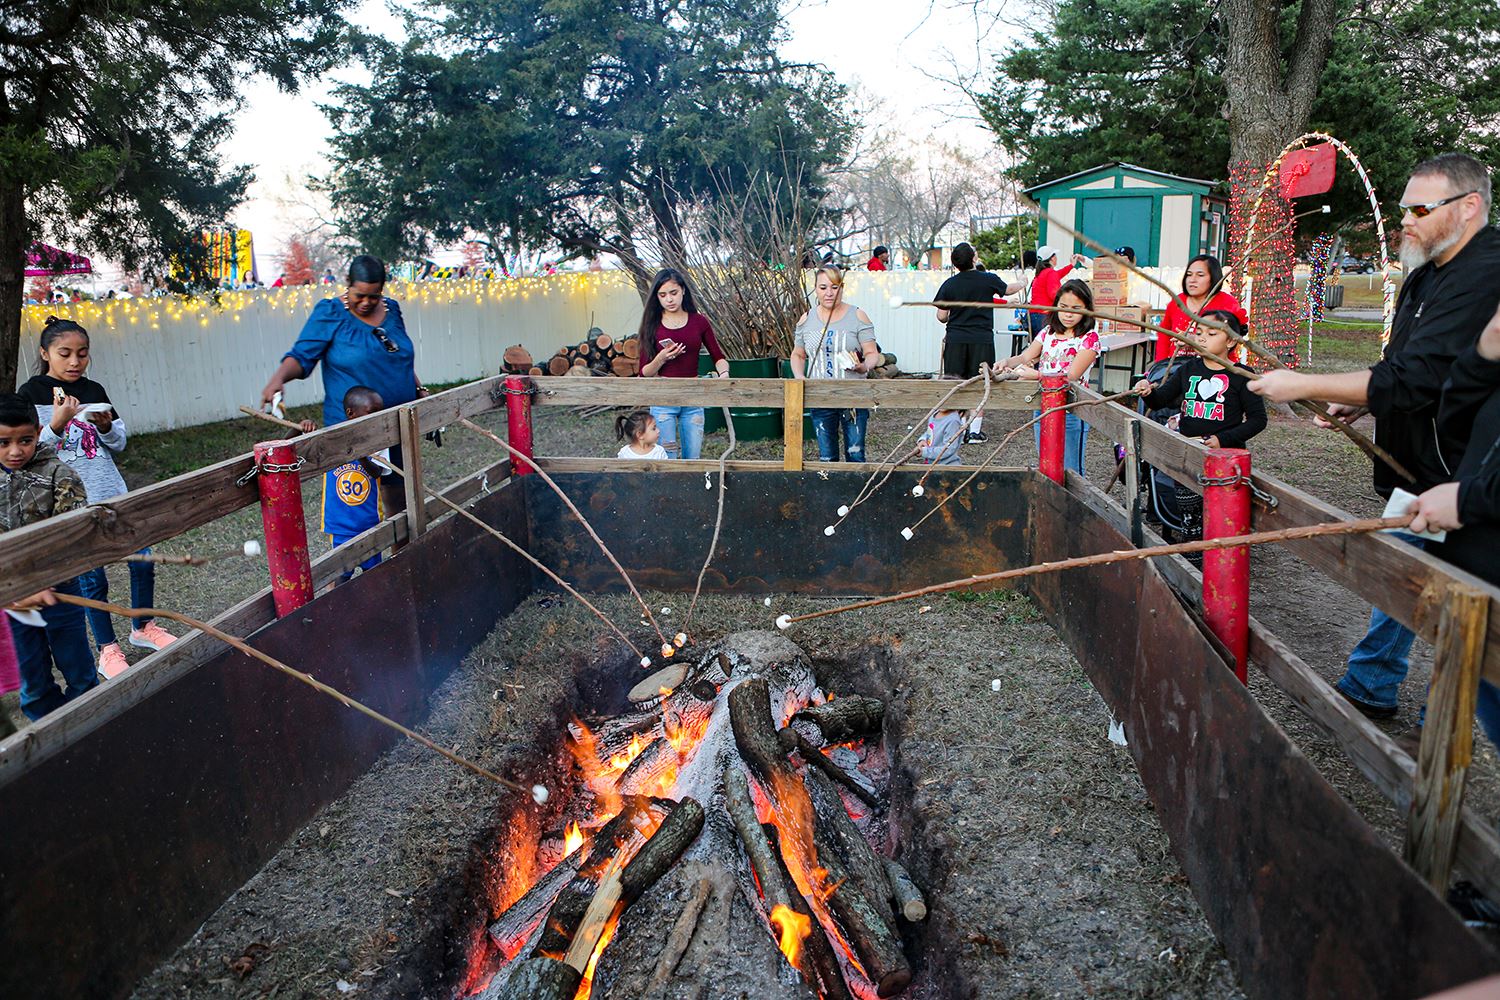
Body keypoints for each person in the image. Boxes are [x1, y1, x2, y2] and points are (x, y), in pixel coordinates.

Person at [1251, 152, 1500, 720]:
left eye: (1419, 208)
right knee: (1408, 573)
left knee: (1460, 604)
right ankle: (1377, 683)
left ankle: (1439, 727)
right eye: (1402, 208)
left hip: (1464, 478)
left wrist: (1304, 382)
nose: (1404, 220)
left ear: (1469, 208)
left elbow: (1420, 379)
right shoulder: (1426, 271)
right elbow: (1401, 364)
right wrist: (1357, 398)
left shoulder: (1485, 274)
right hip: (1420, 469)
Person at [18, 317, 176, 678]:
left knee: (143, 560)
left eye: (83, 354)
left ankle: (143, 628)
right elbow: (30, 455)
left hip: (111, 493)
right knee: (94, 579)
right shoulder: (30, 395)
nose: (75, 362)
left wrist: (105, 427)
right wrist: (56, 424)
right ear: (45, 354)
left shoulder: (94, 389)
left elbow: (118, 443)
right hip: (70, 502)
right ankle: (108, 649)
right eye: (65, 354)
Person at [262, 255, 424, 513]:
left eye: (374, 295)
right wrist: (278, 379)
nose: (367, 302)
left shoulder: (392, 310)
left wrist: (418, 389)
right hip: (354, 434)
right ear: (348, 283)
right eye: (360, 294)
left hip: (399, 424)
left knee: (404, 512)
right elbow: (302, 356)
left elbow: (400, 357)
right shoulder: (330, 313)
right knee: (359, 515)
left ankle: (402, 554)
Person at [0, 393, 95, 720]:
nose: (15, 451)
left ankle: (89, 730)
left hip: (61, 593)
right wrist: (13, 589)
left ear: (39, 432)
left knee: (79, 672)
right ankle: (48, 745)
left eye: (25, 440)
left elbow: (75, 539)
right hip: (12, 598)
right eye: (3, 442)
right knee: (33, 679)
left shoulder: (60, 475)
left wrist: (45, 581)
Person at [1134, 310, 1267, 543]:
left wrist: (1222, 439)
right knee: (1190, 519)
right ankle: (1195, 564)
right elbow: (1160, 400)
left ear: (1231, 340)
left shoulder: (1242, 375)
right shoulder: (1189, 369)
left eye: (1211, 333)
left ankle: (1221, 564)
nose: (1201, 338)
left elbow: (1258, 420)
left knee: (1220, 521)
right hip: (1189, 457)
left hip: (1223, 462)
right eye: (1198, 332)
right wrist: (1148, 391)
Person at [1002, 278, 1101, 475]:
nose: (1068, 313)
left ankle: (1071, 506)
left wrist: (1036, 374)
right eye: (1063, 306)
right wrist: (1006, 362)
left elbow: (1071, 376)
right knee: (1047, 466)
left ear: (1086, 309)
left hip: (1071, 409)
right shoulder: (1048, 332)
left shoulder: (1090, 338)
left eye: (1076, 308)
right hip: (1043, 406)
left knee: (1071, 470)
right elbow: (1025, 356)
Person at [935, 242, 1024, 443]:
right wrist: (1024, 282)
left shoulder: (949, 284)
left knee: (955, 383)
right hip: (981, 340)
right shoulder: (987, 279)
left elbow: (941, 316)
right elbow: (1008, 290)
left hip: (955, 340)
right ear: (974, 258)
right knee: (979, 382)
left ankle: (952, 432)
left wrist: (958, 315)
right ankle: (973, 432)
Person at [789, 267, 880, 462]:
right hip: (821, 395)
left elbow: (872, 353)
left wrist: (864, 366)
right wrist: (800, 377)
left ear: (842, 288)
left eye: (834, 287)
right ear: (815, 289)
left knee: (855, 454)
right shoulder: (806, 319)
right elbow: (798, 354)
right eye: (823, 287)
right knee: (827, 456)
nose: (829, 293)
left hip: (853, 396)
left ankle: (857, 491)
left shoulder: (857, 315)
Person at [636, 268, 728, 460]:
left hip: (693, 397)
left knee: (692, 457)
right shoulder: (652, 324)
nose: (669, 299)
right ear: (657, 297)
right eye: (663, 295)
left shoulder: (699, 322)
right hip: (664, 399)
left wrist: (724, 374)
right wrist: (661, 358)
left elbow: (718, 357)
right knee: (667, 457)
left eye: (673, 293)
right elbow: (644, 372)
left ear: (683, 291)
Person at [321, 386, 390, 583]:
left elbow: (376, 472)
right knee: (341, 577)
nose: (378, 417)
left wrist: (360, 454)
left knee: (374, 577)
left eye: (381, 412)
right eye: (372, 412)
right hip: (341, 526)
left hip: (368, 524)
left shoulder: (379, 440)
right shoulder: (331, 440)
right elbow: (293, 448)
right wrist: (301, 428)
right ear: (351, 413)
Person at [1156, 255, 1249, 363]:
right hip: (1176, 369)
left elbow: (1230, 340)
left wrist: (1194, 341)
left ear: (1213, 277)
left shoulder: (1228, 304)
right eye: (1189, 275)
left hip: (1216, 370)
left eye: (1200, 275)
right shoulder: (1177, 302)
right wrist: (1160, 367)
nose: (1192, 280)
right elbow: (1164, 337)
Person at [1026, 245, 1088, 337]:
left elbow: (1058, 274)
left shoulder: (1042, 273)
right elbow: (1054, 294)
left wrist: (1071, 265)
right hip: (1045, 315)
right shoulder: (1050, 273)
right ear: (1052, 258)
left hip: (1034, 315)